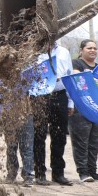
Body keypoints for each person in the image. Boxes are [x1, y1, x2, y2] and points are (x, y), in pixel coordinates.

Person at [31, 41, 74, 186]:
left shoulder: (64, 52)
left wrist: (70, 102)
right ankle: (39, 173)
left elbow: (69, 77)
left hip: (60, 95)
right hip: (39, 96)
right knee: (39, 135)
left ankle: (58, 173)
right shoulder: (33, 51)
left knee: (60, 136)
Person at [70, 40, 98, 183]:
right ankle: (83, 172)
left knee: (94, 142)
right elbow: (79, 80)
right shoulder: (76, 64)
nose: (92, 50)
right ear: (81, 50)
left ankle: (93, 171)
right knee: (81, 141)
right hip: (82, 108)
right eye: (89, 48)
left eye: (95, 48)